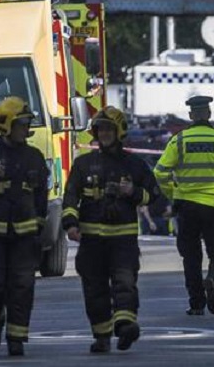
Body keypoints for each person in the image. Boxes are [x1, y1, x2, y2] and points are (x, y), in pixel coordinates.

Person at [62, 106, 162, 353]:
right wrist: (71, 224)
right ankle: (102, 337)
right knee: (94, 290)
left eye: (109, 129)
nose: (104, 133)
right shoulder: (83, 164)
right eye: (101, 129)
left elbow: (156, 197)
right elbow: (71, 196)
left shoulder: (135, 164)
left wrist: (133, 193)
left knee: (124, 284)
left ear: (119, 132)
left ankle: (126, 326)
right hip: (91, 240)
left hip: (123, 239)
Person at [0, 96, 49, 357]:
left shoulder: (34, 157)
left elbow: (41, 197)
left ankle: (16, 338)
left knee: (22, 287)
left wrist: (37, 225)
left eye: (27, 124)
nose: (26, 128)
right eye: (22, 123)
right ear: (7, 125)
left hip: (24, 238)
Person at [153, 96, 214, 316]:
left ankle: (196, 304)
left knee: (191, 257)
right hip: (213, 207)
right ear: (208, 114)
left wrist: (173, 194)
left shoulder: (179, 140)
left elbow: (160, 172)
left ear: (191, 116)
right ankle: (213, 280)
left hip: (186, 207)